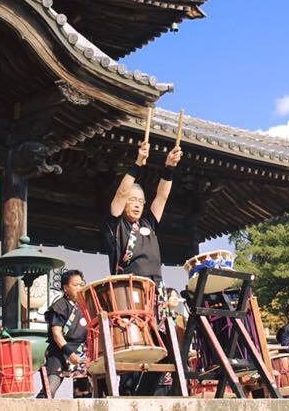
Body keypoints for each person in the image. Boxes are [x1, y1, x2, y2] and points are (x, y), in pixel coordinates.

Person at [100, 141, 181, 396]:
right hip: (129, 294)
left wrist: (169, 168)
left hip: (156, 292)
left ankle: (145, 395)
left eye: (140, 201)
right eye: (132, 200)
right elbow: (120, 194)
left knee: (164, 349)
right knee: (133, 345)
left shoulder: (149, 224)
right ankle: (125, 394)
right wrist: (137, 163)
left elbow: (162, 196)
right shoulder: (116, 225)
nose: (137, 204)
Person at [37, 270, 88, 398]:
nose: (79, 288)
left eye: (81, 284)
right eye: (75, 285)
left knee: (84, 392)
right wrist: (69, 353)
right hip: (60, 351)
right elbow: (56, 334)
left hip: (81, 352)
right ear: (65, 288)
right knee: (50, 390)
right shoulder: (60, 306)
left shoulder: (86, 305)